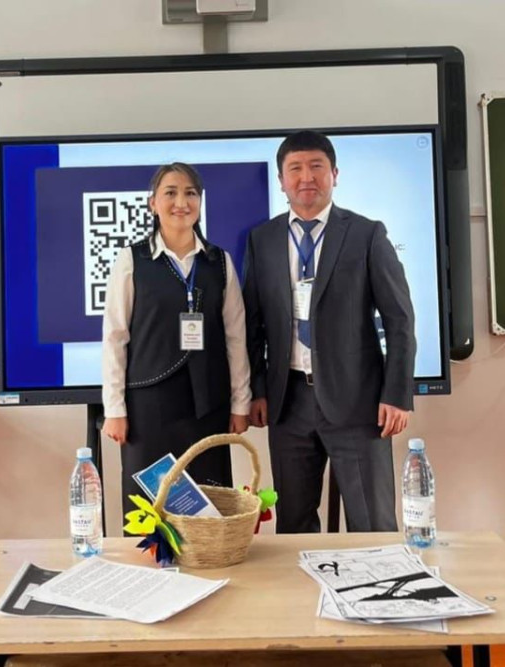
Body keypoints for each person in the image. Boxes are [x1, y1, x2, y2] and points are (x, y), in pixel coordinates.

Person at [243, 130, 416, 533]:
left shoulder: (366, 234)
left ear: (334, 174)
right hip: (288, 402)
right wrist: (257, 390)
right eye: (295, 168)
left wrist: (397, 394)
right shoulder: (262, 239)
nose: (306, 177)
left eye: (316, 166)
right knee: (293, 525)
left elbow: (399, 320)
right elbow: (252, 323)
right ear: (281, 180)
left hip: (358, 402)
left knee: (372, 523)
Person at [101, 162, 251, 517]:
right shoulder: (132, 259)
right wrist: (114, 409)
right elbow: (115, 337)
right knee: (149, 511)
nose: (181, 202)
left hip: (207, 406)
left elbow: (236, 337)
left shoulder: (219, 262)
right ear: (153, 203)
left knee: (209, 509)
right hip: (148, 406)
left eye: (190, 193)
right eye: (170, 193)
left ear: (200, 202)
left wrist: (240, 403)